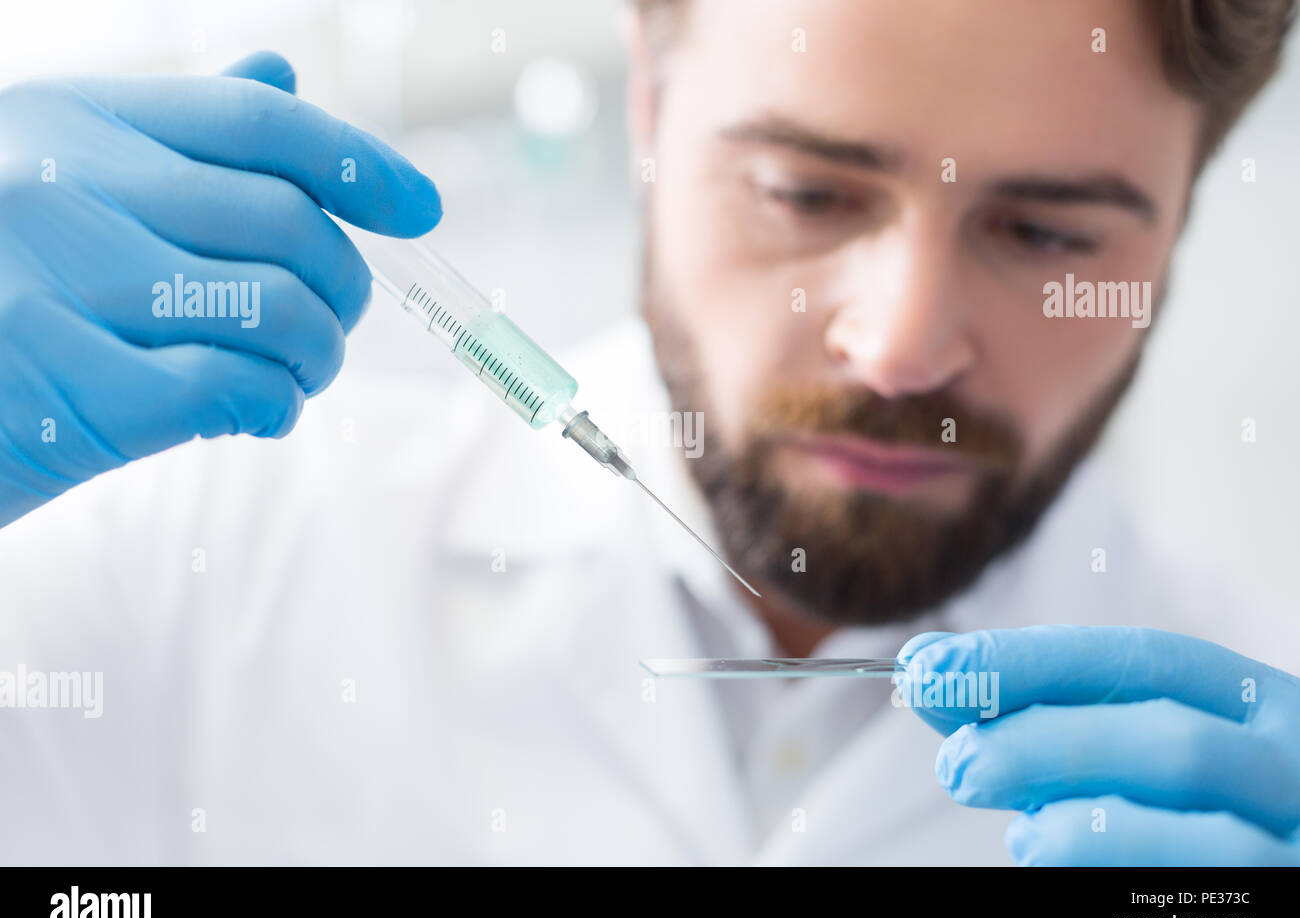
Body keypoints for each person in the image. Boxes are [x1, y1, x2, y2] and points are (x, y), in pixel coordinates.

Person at [0, 0, 1295, 865]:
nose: (899, 345)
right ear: (650, 112)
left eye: (1047, 234)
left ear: (1182, 221)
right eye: (805, 192)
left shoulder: (1259, 740)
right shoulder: (173, 562)